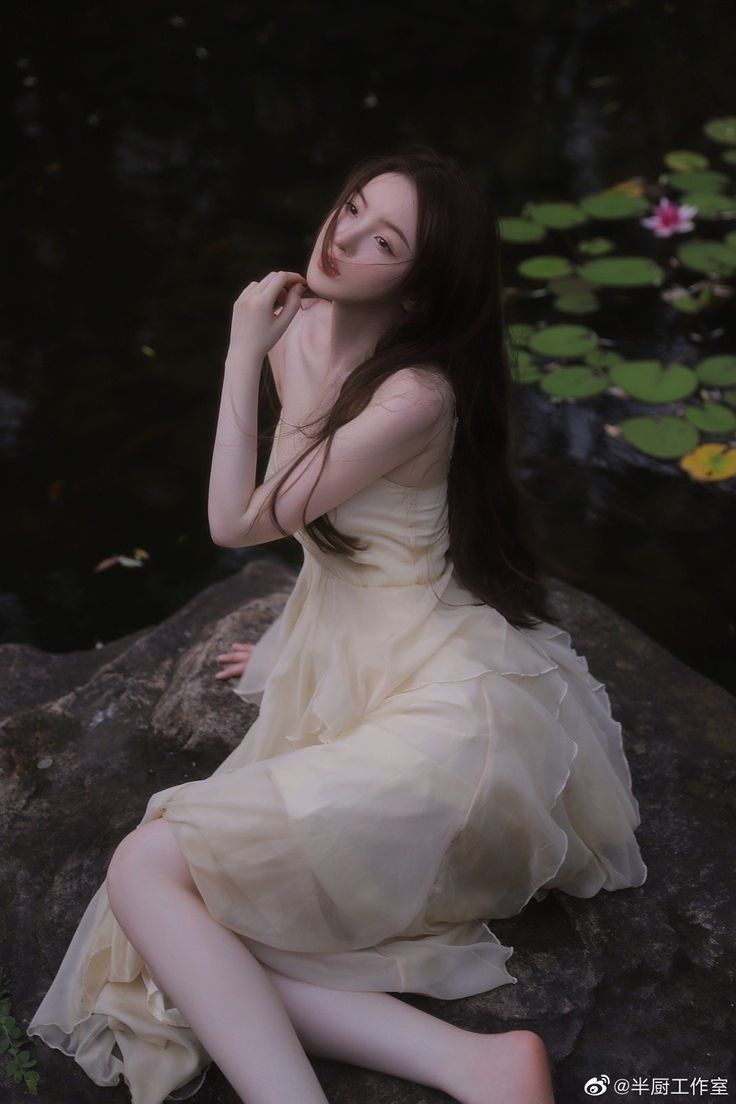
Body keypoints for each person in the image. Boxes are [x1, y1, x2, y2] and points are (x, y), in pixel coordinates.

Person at [26, 144, 647, 1104]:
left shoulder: (417, 392)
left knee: (152, 876)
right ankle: (474, 1063)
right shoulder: (305, 324)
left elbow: (242, 520)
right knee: (183, 926)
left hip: (458, 719)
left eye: (382, 239)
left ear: (421, 287)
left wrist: (240, 345)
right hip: (375, 675)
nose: (342, 237)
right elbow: (334, 538)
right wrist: (288, 648)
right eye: (351, 210)